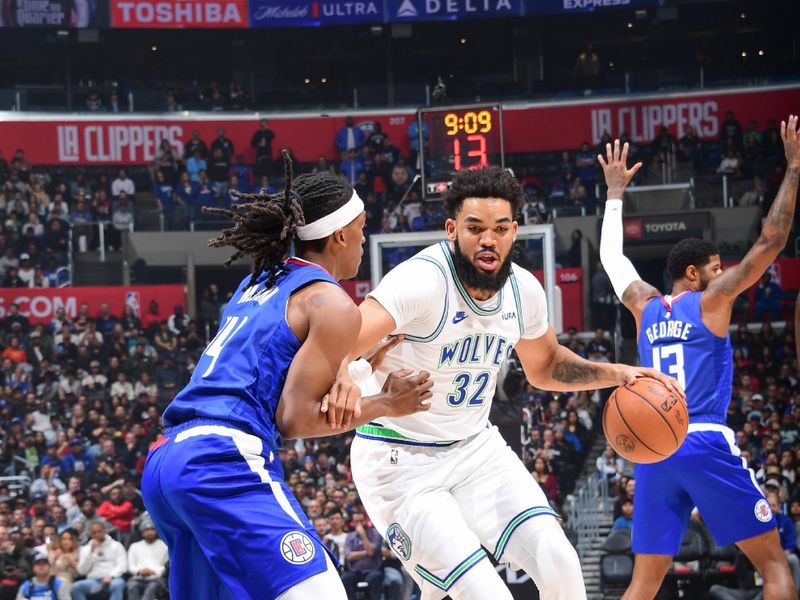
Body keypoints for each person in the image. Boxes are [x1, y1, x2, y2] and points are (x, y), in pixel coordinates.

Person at [339, 165, 681, 600]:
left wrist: (620, 374)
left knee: (560, 561)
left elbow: (547, 365)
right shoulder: (419, 282)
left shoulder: (524, 290)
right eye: (475, 228)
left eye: (500, 228)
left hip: (475, 449)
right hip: (400, 460)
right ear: (451, 230)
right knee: (484, 593)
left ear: (515, 232)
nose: (488, 239)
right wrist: (357, 375)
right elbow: (341, 343)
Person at [141, 151, 433, 600]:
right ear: (338, 236)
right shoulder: (332, 303)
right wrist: (388, 405)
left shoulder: (258, 281)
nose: (363, 239)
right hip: (221, 459)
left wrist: (349, 368)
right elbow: (295, 419)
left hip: (166, 461)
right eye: (360, 230)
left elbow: (271, 356)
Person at [597, 120, 800, 600]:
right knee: (776, 566)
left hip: (653, 452)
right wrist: (793, 169)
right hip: (703, 437)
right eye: (716, 268)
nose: (723, 273)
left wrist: (613, 193)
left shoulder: (644, 305)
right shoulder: (711, 301)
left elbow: (610, 257)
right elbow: (770, 242)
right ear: (695, 274)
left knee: (642, 584)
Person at [72, 522, 127, 600]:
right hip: (93, 581)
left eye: (99, 531)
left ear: (105, 531)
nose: (97, 534)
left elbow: (122, 565)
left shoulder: (116, 545)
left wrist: (111, 576)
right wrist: (91, 551)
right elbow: (82, 571)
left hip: (113, 579)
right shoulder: (86, 549)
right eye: (94, 532)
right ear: (90, 534)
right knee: (76, 587)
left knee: (118, 585)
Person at [341, 511, 383, 600]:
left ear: (365, 521)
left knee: (376, 577)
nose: (359, 524)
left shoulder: (375, 534)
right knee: (345, 579)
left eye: (361, 520)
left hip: (372, 570)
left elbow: (371, 552)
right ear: (352, 523)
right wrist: (366, 552)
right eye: (356, 521)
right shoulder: (350, 537)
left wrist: (363, 535)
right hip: (355, 572)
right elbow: (349, 556)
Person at [126, 518, 168, 600]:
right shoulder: (134, 546)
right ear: (142, 533)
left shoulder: (164, 546)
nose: (149, 532)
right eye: (146, 530)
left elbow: (166, 566)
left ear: (156, 531)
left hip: (157, 578)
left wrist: (154, 571)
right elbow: (130, 566)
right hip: (138, 577)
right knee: (132, 586)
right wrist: (140, 571)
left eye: (152, 529)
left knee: (152, 587)